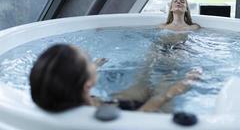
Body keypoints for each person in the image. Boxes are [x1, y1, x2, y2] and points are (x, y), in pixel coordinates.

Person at [29, 44, 192, 113]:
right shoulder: (98, 117)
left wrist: (93, 66)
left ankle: (153, 59)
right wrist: (171, 93)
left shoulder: (63, 96)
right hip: (145, 111)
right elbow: (142, 115)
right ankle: (170, 62)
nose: (92, 62)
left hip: (115, 103)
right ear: (87, 84)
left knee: (144, 76)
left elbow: (65, 77)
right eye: (88, 60)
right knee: (166, 83)